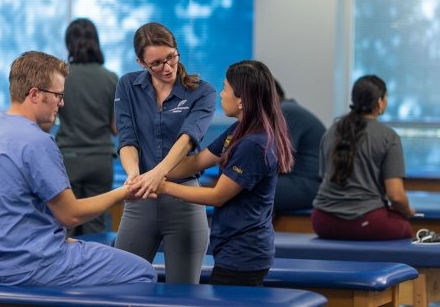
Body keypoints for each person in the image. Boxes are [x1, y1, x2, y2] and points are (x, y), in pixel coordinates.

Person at [0, 51, 156, 286]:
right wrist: (125, 193)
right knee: (143, 272)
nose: (62, 103)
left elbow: (11, 209)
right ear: (34, 94)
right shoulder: (36, 141)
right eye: (58, 95)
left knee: (86, 247)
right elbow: (70, 215)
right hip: (33, 266)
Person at [141, 60, 293, 287]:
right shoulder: (238, 131)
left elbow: (217, 196)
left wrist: (162, 186)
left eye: (225, 88)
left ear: (241, 99)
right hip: (233, 248)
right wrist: (153, 174)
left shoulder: (254, 144)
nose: (221, 94)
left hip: (244, 253)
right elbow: (196, 162)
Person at [114, 22, 216, 284]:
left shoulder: (202, 91)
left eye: (171, 57)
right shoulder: (128, 86)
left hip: (184, 199)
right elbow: (127, 139)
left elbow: (188, 139)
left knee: (183, 293)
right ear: (141, 62)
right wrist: (135, 175)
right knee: (119, 284)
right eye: (156, 63)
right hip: (141, 200)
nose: (167, 67)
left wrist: (157, 175)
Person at [312, 75, 415, 240]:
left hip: (322, 222)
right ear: (379, 102)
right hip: (366, 221)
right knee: (406, 229)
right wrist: (408, 212)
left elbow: (323, 178)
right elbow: (396, 196)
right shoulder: (389, 137)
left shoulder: (330, 132)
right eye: (386, 97)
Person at [56, 18, 118, 236]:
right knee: (96, 228)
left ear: (68, 44)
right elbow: (115, 128)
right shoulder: (111, 79)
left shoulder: (60, 77)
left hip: (67, 160)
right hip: (100, 161)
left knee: (65, 225)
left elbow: (47, 118)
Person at [273, 79, 326, 212]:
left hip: (309, 183)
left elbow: (279, 159)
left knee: (247, 190)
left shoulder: (286, 111)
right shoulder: (289, 109)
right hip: (306, 181)